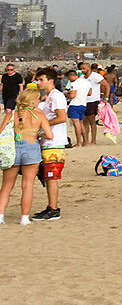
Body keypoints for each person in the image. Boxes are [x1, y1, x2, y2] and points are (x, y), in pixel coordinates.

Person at [32, 70, 68, 221]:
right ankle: (51, 206)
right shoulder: (48, 97)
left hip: (54, 142)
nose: (38, 83)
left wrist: (43, 125)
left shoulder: (56, 96)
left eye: (41, 79)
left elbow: (61, 117)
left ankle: (53, 208)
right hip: (47, 141)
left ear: (50, 80)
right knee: (47, 176)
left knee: (51, 176)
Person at [4, 89, 38, 225]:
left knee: (6, 185)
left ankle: (0, 216)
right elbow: (49, 134)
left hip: (13, 149)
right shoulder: (38, 115)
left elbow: (1, 131)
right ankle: (24, 218)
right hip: (31, 148)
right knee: (27, 185)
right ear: (32, 101)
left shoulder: (11, 114)